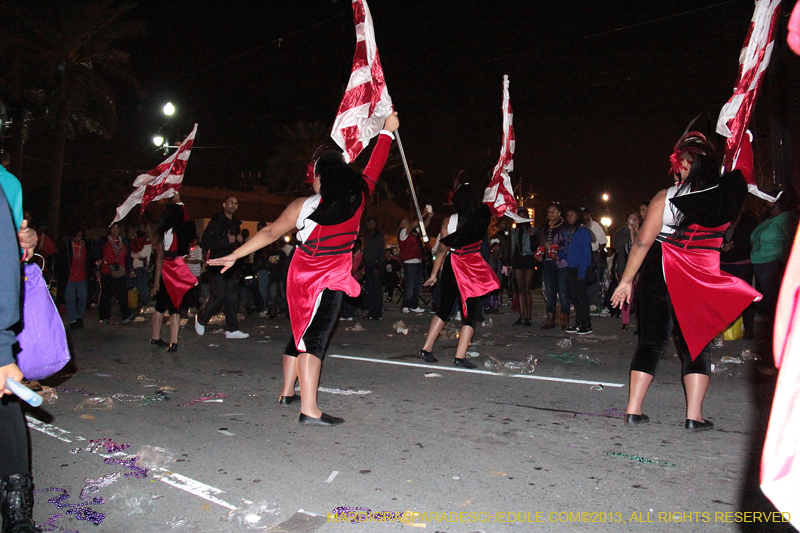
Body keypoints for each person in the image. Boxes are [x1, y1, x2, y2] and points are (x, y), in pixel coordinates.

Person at [209, 112, 399, 426]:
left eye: (314, 175)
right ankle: (309, 408)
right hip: (327, 279)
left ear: (323, 177)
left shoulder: (303, 205)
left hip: (299, 277)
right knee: (316, 340)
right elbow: (374, 166)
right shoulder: (359, 196)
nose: (311, 180)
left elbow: (269, 233)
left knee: (301, 333)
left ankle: (287, 391)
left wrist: (236, 255)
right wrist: (387, 133)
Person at [611, 126, 761, 430]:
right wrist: (742, 137)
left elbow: (641, 242)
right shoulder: (726, 196)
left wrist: (626, 280)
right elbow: (743, 171)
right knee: (696, 343)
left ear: (684, 163)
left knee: (651, 340)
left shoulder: (665, 197)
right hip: (697, 272)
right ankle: (694, 416)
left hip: (659, 266)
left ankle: (633, 409)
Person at [418, 183, 500, 368]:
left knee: (444, 308)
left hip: (452, 263)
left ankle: (426, 348)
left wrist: (434, 274)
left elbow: (441, 250)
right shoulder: (480, 219)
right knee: (470, 312)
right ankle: (460, 356)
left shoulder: (448, 221)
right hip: (470, 265)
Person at [0, 168, 39, 533]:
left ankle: (17, 507)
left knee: (5, 405)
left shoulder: (8, 183)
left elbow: (13, 253)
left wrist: (27, 240)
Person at [195, 196, 249, 339]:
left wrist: (239, 242)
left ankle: (232, 329)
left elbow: (237, 246)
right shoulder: (216, 221)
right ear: (224, 204)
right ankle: (201, 318)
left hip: (233, 265)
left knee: (232, 298)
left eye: (236, 203)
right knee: (218, 295)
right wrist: (226, 240)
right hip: (217, 264)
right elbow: (206, 241)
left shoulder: (236, 223)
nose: (233, 206)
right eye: (230, 203)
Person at [150, 195, 198, 352]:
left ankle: (158, 338)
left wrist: (156, 281)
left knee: (162, 305)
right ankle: (172, 341)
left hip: (168, 268)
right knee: (173, 306)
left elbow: (159, 259)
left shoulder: (166, 232)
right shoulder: (178, 230)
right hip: (172, 269)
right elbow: (159, 258)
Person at [750, 187, 798, 330]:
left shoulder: (787, 218)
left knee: (774, 302)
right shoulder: (770, 219)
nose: (765, 200)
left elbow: (793, 242)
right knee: (767, 302)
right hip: (760, 263)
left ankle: (783, 332)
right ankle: (775, 331)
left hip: (773, 263)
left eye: (769, 197)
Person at [720, 209, 759, 339]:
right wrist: (723, 246)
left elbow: (753, 240)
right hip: (724, 263)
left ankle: (748, 330)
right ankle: (725, 330)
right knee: (725, 297)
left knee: (745, 297)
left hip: (743, 263)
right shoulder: (722, 218)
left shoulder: (749, 220)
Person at [93, 222, 135, 324]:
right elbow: (97, 256)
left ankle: (126, 315)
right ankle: (104, 316)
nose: (115, 230)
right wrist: (97, 270)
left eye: (117, 228)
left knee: (122, 294)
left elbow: (128, 258)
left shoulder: (124, 242)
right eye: (113, 228)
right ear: (110, 230)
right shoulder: (103, 241)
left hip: (120, 272)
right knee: (106, 294)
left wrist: (130, 270)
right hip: (106, 271)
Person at [536, 202, 570, 329]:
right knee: (549, 291)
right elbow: (541, 243)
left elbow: (568, 245)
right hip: (548, 262)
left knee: (563, 291)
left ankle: (564, 318)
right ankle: (550, 318)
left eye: (553, 211)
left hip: (561, 263)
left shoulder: (564, 227)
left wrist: (556, 249)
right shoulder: (545, 228)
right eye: (549, 212)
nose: (550, 214)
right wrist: (540, 253)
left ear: (559, 213)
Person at [398, 206, 433, 314]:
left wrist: (429, 217)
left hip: (418, 260)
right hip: (409, 261)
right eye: (404, 222)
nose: (407, 222)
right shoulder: (403, 233)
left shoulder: (414, 232)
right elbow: (414, 223)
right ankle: (406, 304)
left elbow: (423, 226)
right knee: (410, 284)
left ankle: (414, 304)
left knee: (418, 284)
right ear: (401, 225)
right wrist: (422, 214)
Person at [564, 207, 593, 334]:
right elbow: (568, 251)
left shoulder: (583, 231)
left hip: (581, 268)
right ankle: (578, 322)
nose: (569, 217)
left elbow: (586, 254)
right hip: (571, 268)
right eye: (568, 215)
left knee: (581, 297)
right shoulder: (570, 231)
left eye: (572, 215)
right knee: (575, 297)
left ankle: (586, 324)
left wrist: (582, 272)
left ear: (578, 217)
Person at [59, 225, 91, 330]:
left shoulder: (85, 245)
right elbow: (61, 260)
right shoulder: (67, 245)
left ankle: (78, 315)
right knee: (70, 298)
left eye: (80, 236)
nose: (78, 238)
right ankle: (72, 319)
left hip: (81, 275)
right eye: (76, 236)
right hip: (69, 276)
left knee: (83, 296)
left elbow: (89, 259)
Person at [510, 207, 537, 326]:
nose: (521, 219)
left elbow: (536, 247)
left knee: (527, 288)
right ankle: (521, 316)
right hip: (517, 260)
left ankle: (528, 316)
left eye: (524, 216)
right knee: (520, 288)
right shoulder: (514, 231)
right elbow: (511, 247)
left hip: (528, 259)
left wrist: (532, 236)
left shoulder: (533, 230)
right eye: (519, 216)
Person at [580, 206, 608, 313]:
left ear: (589, 215)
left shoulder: (595, 225)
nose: (584, 216)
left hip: (593, 254)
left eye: (585, 214)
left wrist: (598, 253)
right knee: (581, 278)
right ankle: (583, 301)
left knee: (593, 278)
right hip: (581, 255)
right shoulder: (578, 226)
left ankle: (593, 302)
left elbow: (602, 241)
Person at [362, 217, 385, 320]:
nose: (370, 225)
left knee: (376, 290)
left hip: (376, 266)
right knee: (370, 290)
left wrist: (378, 266)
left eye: (372, 223)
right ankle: (371, 312)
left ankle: (377, 312)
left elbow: (381, 252)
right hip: (368, 265)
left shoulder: (378, 236)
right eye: (368, 223)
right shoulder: (367, 237)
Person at [130, 229, 152, 308]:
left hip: (141, 267)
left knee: (142, 285)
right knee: (139, 285)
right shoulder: (139, 244)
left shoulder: (145, 244)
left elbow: (142, 254)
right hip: (137, 267)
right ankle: (142, 300)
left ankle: (145, 301)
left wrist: (133, 255)